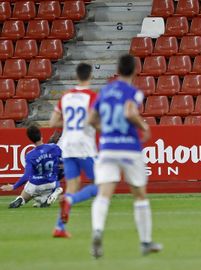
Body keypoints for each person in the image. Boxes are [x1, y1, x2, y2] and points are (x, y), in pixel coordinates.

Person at [87, 54, 161, 258]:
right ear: (135, 71)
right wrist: (144, 126)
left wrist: (106, 130)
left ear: (117, 70)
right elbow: (129, 113)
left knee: (104, 194)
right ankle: (145, 242)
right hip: (129, 147)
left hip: (107, 147)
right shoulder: (133, 92)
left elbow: (91, 119)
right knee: (139, 195)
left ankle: (98, 230)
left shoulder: (104, 91)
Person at [49, 63, 98, 238]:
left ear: (76, 76)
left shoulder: (66, 97)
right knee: (99, 186)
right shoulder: (92, 97)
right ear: (90, 76)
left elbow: (53, 122)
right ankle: (70, 200)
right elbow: (94, 121)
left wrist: (69, 123)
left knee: (72, 184)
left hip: (67, 146)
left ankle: (59, 227)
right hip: (84, 146)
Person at [0, 125, 63, 208]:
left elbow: (27, 175)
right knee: (55, 183)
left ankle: (22, 199)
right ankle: (49, 196)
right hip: (51, 183)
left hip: (35, 184)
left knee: (26, 194)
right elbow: (64, 160)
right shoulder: (54, 148)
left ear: (30, 140)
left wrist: (13, 186)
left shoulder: (30, 155)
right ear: (41, 135)